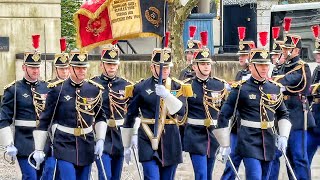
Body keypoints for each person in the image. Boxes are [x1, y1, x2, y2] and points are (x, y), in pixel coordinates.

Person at [214, 36, 291, 179]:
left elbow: (283, 113)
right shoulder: (241, 89)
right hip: (248, 141)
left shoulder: (274, 88)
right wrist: (224, 144)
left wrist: (284, 136)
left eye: (266, 65)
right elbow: (224, 115)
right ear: (251, 66)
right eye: (260, 65)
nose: (264, 68)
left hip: (268, 141)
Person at [121, 36, 192, 180]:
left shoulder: (177, 86)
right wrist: (127, 143)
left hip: (170, 138)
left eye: (167, 67)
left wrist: (167, 95)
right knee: (151, 177)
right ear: (152, 67)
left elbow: (182, 111)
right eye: (161, 67)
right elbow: (131, 115)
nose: (164, 70)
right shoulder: (140, 87)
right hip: (147, 136)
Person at [32, 51, 108, 180]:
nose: (82, 70)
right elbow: (45, 120)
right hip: (64, 143)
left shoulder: (94, 89)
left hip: (86, 143)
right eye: (78, 67)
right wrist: (39, 149)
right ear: (71, 68)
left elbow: (101, 116)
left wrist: (100, 139)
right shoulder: (57, 89)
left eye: (84, 67)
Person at [0, 35, 49, 179]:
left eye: (37, 67)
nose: (35, 71)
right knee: (30, 176)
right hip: (24, 142)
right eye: (32, 67)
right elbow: (3, 119)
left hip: (44, 142)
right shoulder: (13, 90)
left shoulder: (47, 88)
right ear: (24, 67)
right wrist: (9, 144)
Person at [183, 31, 228, 180]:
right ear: (195, 66)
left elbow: (225, 111)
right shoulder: (188, 85)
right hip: (195, 134)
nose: (206, 66)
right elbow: (180, 111)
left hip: (213, 134)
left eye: (208, 63)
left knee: (208, 174)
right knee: (201, 174)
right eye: (203, 63)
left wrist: (225, 138)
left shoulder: (219, 84)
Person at [274, 31, 315, 180]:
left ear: (296, 50)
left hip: (297, 115)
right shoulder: (284, 66)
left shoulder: (301, 67)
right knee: (288, 156)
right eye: (284, 48)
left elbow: (287, 80)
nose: (284, 51)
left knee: (299, 156)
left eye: (287, 48)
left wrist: (278, 81)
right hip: (283, 114)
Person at [91, 43, 132, 180]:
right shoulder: (92, 85)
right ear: (102, 65)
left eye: (114, 64)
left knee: (115, 176)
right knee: (105, 175)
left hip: (119, 136)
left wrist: (132, 135)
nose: (112, 67)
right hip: (102, 136)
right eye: (109, 64)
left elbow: (132, 111)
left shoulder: (126, 85)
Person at [221, 39, 254, 180]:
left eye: (244, 55)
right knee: (231, 161)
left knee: (252, 166)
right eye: (240, 55)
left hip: (251, 127)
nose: (240, 57)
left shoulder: (256, 74)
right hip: (237, 124)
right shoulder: (240, 74)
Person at [41, 38, 70, 180]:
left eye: (66, 68)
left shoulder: (77, 87)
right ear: (56, 69)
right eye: (61, 69)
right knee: (50, 169)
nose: (64, 72)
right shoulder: (48, 87)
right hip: (52, 134)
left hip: (70, 135)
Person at [307, 25, 320, 166]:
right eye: (317, 53)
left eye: (319, 53)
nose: (317, 56)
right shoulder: (316, 69)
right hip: (315, 118)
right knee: (305, 156)